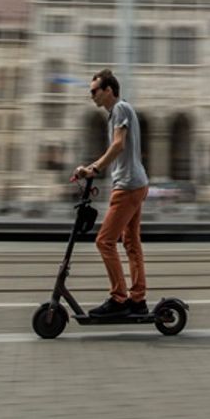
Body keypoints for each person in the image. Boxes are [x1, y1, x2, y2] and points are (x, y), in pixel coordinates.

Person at [73, 68, 150, 318]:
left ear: (108, 90)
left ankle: (119, 298)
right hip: (136, 183)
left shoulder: (119, 109)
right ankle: (137, 299)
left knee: (104, 241)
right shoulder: (119, 111)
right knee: (130, 243)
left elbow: (119, 144)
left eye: (94, 90)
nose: (91, 95)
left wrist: (93, 168)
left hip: (127, 186)